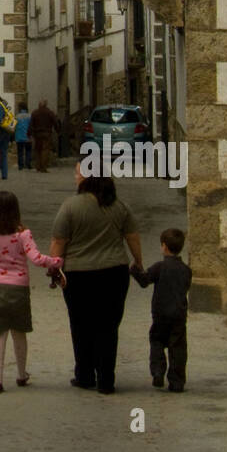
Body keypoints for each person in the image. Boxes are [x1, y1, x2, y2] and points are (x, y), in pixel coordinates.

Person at [49, 148, 143, 394]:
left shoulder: (70, 207)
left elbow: (59, 242)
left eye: (77, 172)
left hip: (79, 275)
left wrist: (54, 269)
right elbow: (132, 237)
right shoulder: (119, 206)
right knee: (108, 326)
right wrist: (138, 262)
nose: (75, 176)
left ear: (88, 176)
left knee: (80, 325)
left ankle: (84, 374)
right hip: (114, 273)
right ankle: (106, 379)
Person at [0, 190, 63, 393]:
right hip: (19, 288)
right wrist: (55, 261)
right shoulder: (23, 234)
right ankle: (21, 374)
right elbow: (35, 258)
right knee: (19, 332)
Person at [130, 228, 192, 392]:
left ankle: (158, 371)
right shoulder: (186, 270)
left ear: (163, 246)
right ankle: (177, 380)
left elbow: (144, 281)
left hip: (161, 313)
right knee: (177, 346)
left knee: (157, 341)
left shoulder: (160, 267)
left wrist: (134, 270)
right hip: (179, 313)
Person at [30, 98, 59, 173]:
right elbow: (55, 122)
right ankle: (43, 167)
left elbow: (31, 124)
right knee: (45, 150)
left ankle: (38, 166)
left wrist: (30, 133)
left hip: (37, 134)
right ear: (46, 105)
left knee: (37, 150)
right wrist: (57, 130)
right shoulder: (50, 112)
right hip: (47, 133)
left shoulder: (34, 113)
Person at [14, 102, 32, 170]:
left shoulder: (17, 116)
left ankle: (20, 165)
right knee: (28, 151)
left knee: (20, 151)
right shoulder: (29, 116)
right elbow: (31, 125)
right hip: (28, 136)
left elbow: (13, 126)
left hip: (19, 136)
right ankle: (28, 164)